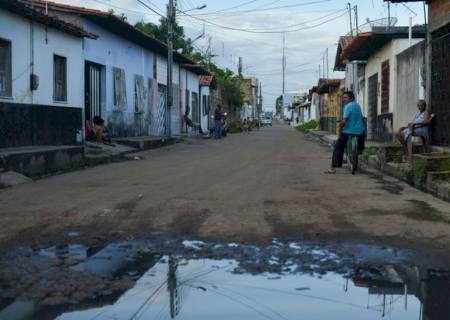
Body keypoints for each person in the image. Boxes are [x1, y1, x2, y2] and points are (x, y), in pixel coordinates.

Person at [326, 91, 365, 174]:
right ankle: (357, 153)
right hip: (360, 132)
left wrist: (340, 127)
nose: (343, 99)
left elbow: (344, 121)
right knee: (361, 145)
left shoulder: (347, 106)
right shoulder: (358, 106)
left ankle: (333, 168)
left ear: (351, 98)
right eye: (343, 98)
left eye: (345, 98)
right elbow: (361, 118)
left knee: (338, 147)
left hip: (348, 132)